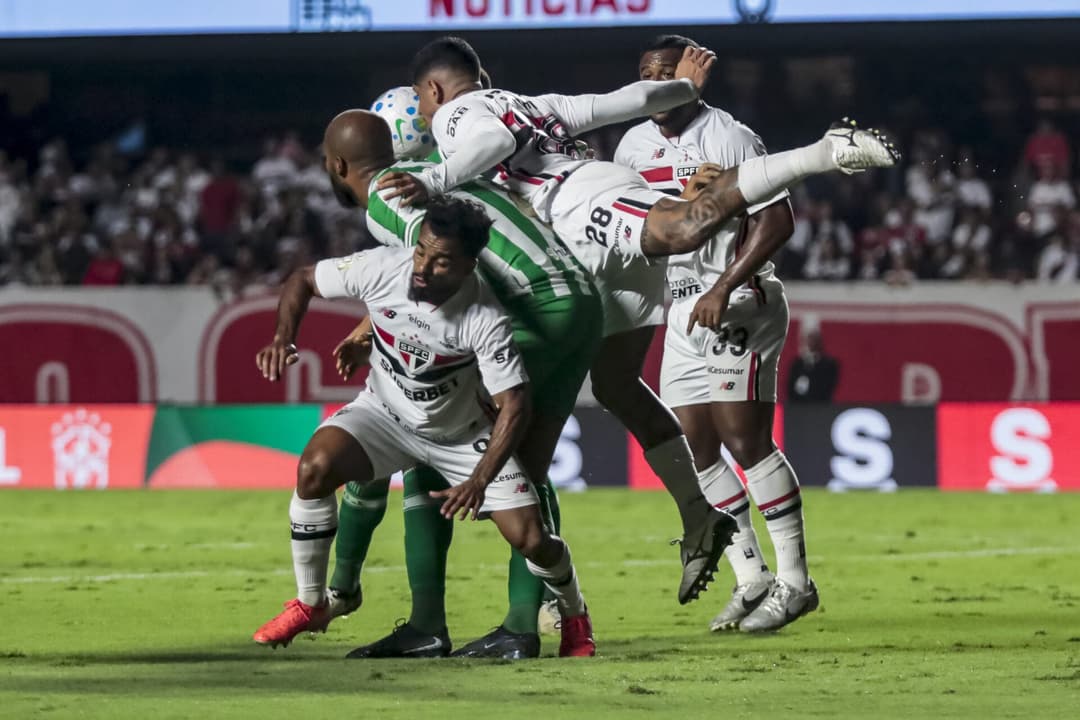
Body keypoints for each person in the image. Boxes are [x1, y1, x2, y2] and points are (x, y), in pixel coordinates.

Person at [376, 36, 899, 604]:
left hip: (578, 208)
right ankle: (699, 516)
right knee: (617, 384)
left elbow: (494, 142)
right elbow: (625, 100)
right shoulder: (534, 103)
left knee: (682, 228)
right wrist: (681, 88)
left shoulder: (456, 114)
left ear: (433, 89)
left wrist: (434, 179)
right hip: (607, 228)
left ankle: (822, 152)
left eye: (423, 102)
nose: (426, 113)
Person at [250, 194, 596, 658]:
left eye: (441, 262)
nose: (423, 268)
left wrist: (478, 481)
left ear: (469, 266)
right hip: (384, 416)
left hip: (459, 436)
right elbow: (303, 279)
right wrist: (283, 339)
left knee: (531, 539)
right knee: (315, 467)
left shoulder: (484, 317)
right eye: (421, 252)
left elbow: (515, 406)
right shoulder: (381, 267)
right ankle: (312, 603)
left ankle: (574, 613)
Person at [320, 108, 602, 659]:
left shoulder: (389, 198)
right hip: (580, 302)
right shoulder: (445, 171)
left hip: (529, 309)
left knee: (426, 441)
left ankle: (426, 624)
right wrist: (366, 328)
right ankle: (522, 625)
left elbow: (435, 272)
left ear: (336, 164)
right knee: (528, 468)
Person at [614, 35, 817, 632]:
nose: (653, 85)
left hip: (738, 300)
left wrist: (725, 286)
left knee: (743, 439)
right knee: (695, 445)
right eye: (645, 74)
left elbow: (776, 220)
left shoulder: (729, 136)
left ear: (688, 76)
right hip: (680, 308)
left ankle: (796, 583)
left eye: (664, 74)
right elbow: (635, 226)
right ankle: (751, 578)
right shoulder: (631, 146)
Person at [786, 328, 840, 404]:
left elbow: (828, 386)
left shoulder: (829, 364)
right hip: (798, 404)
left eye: (814, 340)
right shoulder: (798, 363)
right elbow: (790, 385)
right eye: (810, 340)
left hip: (820, 404)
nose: (812, 343)